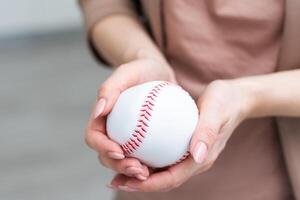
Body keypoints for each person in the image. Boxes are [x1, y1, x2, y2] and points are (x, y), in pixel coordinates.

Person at [79, 0, 300, 199]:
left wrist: (247, 97)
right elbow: (106, 6)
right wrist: (142, 55)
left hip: (276, 174)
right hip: (150, 172)